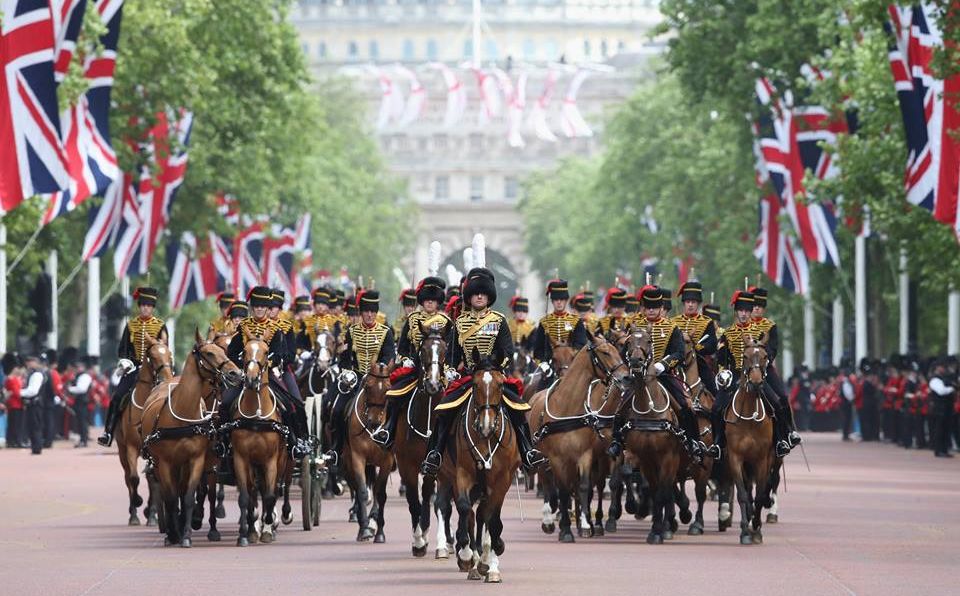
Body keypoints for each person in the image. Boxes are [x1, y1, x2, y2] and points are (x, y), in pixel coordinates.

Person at [420, 267, 546, 477]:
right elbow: (452, 354)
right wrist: (450, 370)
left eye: (483, 293)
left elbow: (507, 350)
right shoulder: (459, 323)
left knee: (517, 407)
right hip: (469, 377)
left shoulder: (498, 320)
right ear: (469, 297)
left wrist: (499, 365)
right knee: (444, 410)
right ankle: (435, 454)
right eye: (476, 293)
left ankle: (527, 451)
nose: (479, 296)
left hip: (494, 375)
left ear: (488, 296)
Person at [608, 285, 711, 461]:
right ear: (643, 308)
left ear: (661, 308)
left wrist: (662, 365)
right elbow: (624, 351)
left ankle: (692, 442)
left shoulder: (671, 327)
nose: (651, 311)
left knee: (685, 406)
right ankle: (617, 441)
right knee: (620, 404)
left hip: (664, 376)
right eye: (648, 307)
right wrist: (632, 363)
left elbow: (679, 353)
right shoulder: (634, 326)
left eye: (654, 308)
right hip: (638, 377)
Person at [219, 286, 313, 460]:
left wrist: (268, 363)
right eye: (256, 306)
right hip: (247, 373)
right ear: (252, 308)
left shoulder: (277, 328)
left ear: (268, 308)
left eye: (263, 306)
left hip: (271, 374)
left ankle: (297, 441)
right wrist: (245, 363)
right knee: (225, 403)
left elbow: (282, 353)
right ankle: (223, 441)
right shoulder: (244, 327)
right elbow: (231, 352)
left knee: (292, 405)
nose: (260, 309)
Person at [372, 276, 450, 448]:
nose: (430, 303)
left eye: (434, 300)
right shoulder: (413, 319)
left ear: (438, 303)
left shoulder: (446, 322)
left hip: (441, 372)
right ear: (422, 301)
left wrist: (449, 368)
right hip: (416, 370)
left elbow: (451, 349)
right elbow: (402, 347)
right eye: (427, 300)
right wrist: (406, 360)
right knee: (394, 395)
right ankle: (388, 430)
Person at [324, 290, 395, 465]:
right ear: (361, 313)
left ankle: (392, 447)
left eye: (372, 311)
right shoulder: (352, 332)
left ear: (376, 313)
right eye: (366, 311)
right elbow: (344, 359)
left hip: (377, 379)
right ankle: (336, 447)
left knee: (395, 408)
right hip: (355, 379)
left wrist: (379, 371)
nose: (369, 314)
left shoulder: (386, 332)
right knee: (337, 409)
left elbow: (388, 356)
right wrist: (348, 371)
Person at [98, 287, 168, 447]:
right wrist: (126, 361)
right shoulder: (131, 326)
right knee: (117, 397)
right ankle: (108, 432)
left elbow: (164, 348)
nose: (145, 308)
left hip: (156, 369)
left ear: (153, 308)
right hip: (134, 368)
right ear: (139, 306)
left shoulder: (160, 326)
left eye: (149, 306)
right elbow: (123, 349)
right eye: (143, 305)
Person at [748, 286, 802, 454]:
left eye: (760, 306)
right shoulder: (743, 326)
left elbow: (773, 349)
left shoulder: (770, 326)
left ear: (764, 308)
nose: (757, 309)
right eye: (754, 306)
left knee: (782, 398)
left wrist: (764, 360)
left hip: (765, 368)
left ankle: (787, 433)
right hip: (746, 368)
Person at [670, 281, 719, 397]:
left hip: (697, 360)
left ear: (698, 304)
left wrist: (695, 346)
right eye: (688, 302)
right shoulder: (673, 322)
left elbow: (712, 344)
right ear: (684, 303)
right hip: (675, 362)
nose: (690, 305)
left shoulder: (706, 322)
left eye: (693, 302)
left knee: (714, 389)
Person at [531, 278, 588, 371]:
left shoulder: (576, 321)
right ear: (552, 301)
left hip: (571, 364)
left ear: (566, 301)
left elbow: (581, 345)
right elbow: (538, 349)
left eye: (562, 299)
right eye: (556, 299)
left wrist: (571, 356)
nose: (559, 302)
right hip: (549, 365)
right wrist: (543, 363)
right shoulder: (544, 322)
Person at [928, 358, 955, 457]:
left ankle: (944, 449)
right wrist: (952, 388)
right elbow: (941, 391)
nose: (944, 369)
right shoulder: (935, 379)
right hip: (939, 408)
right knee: (939, 430)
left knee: (945, 430)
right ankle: (938, 450)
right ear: (937, 368)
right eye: (942, 367)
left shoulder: (944, 378)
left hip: (946, 408)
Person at [21, 356, 46, 454]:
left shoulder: (36, 375)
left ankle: (37, 447)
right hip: (34, 403)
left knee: (35, 426)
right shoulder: (33, 374)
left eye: (29, 362)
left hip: (36, 403)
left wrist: (19, 392)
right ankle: (35, 446)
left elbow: (33, 391)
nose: (27, 364)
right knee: (33, 425)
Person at [68, 357, 93, 448]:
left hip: (82, 402)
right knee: (79, 422)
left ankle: (84, 440)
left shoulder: (85, 376)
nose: (77, 368)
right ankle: (82, 439)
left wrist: (70, 389)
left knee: (82, 422)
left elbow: (82, 389)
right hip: (78, 402)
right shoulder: (78, 376)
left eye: (79, 367)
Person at [3, 354, 24, 448]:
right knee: (14, 424)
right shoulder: (10, 379)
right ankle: (13, 441)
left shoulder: (15, 379)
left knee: (16, 424)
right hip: (14, 404)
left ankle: (14, 440)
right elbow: (16, 392)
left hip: (18, 404)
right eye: (16, 367)